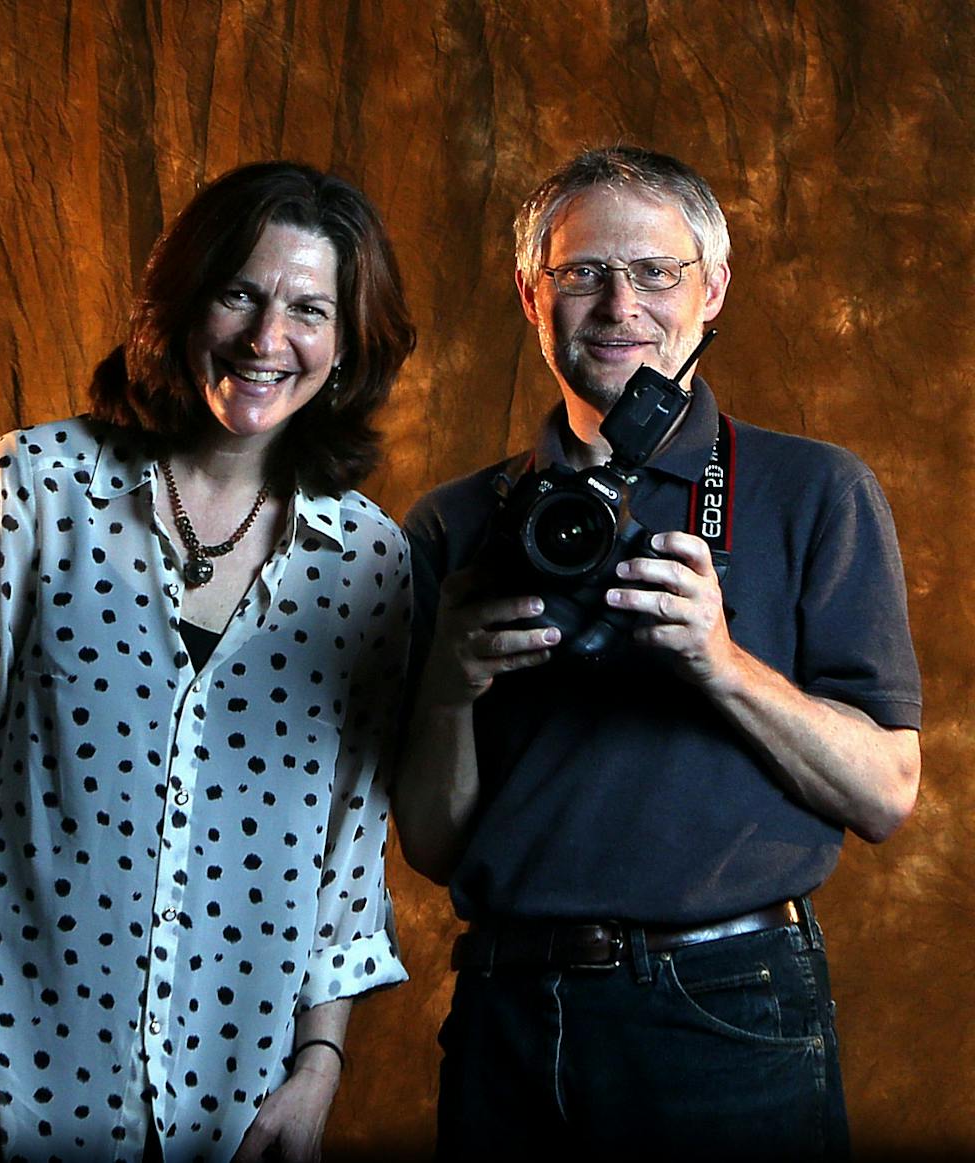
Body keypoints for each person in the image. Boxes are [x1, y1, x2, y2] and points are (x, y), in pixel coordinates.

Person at [0, 161, 416, 1163]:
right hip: (15, 1081)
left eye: (306, 308)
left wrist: (320, 1066)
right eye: (238, 291)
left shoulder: (369, 563)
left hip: (237, 1106)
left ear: (345, 345)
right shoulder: (37, 486)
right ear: (183, 302)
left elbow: (346, 850)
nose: (265, 337)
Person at [394, 146, 921, 1158]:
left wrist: (719, 661)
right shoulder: (454, 525)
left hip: (723, 1006)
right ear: (527, 293)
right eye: (580, 271)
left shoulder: (814, 491)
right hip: (506, 1009)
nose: (616, 303)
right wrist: (450, 692)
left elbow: (885, 793)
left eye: (653, 272)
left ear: (711, 286)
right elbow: (431, 845)